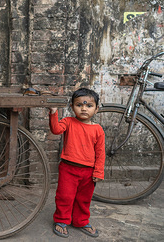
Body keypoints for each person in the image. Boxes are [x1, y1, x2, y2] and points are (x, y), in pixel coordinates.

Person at [49, 88, 105, 238]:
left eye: (89, 105)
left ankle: (80, 221)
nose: (84, 109)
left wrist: (98, 171)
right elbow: (55, 129)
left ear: (97, 108)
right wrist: (53, 111)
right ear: (72, 106)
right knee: (65, 196)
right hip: (68, 169)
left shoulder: (98, 130)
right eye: (79, 105)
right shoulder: (68, 122)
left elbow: (100, 153)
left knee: (83, 199)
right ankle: (61, 220)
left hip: (88, 172)